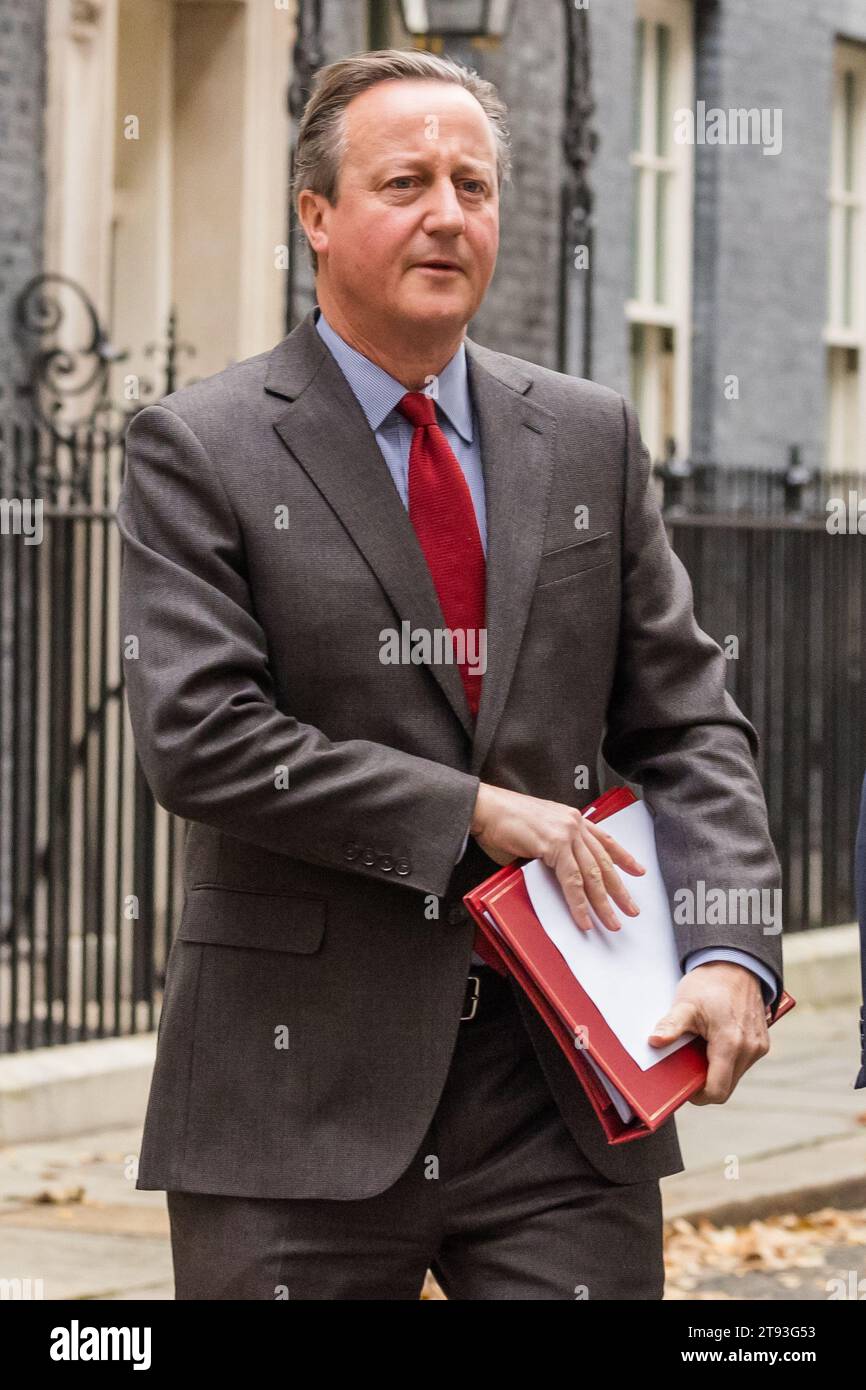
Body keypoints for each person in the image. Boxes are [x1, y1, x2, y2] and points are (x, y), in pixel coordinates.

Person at [117, 48, 783, 1300]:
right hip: (293, 1097)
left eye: (471, 186)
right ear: (314, 214)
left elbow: (689, 718)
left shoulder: (586, 434)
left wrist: (732, 947)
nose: (446, 214)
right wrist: (467, 810)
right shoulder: (196, 448)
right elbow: (198, 735)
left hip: (563, 1089)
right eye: (405, 181)